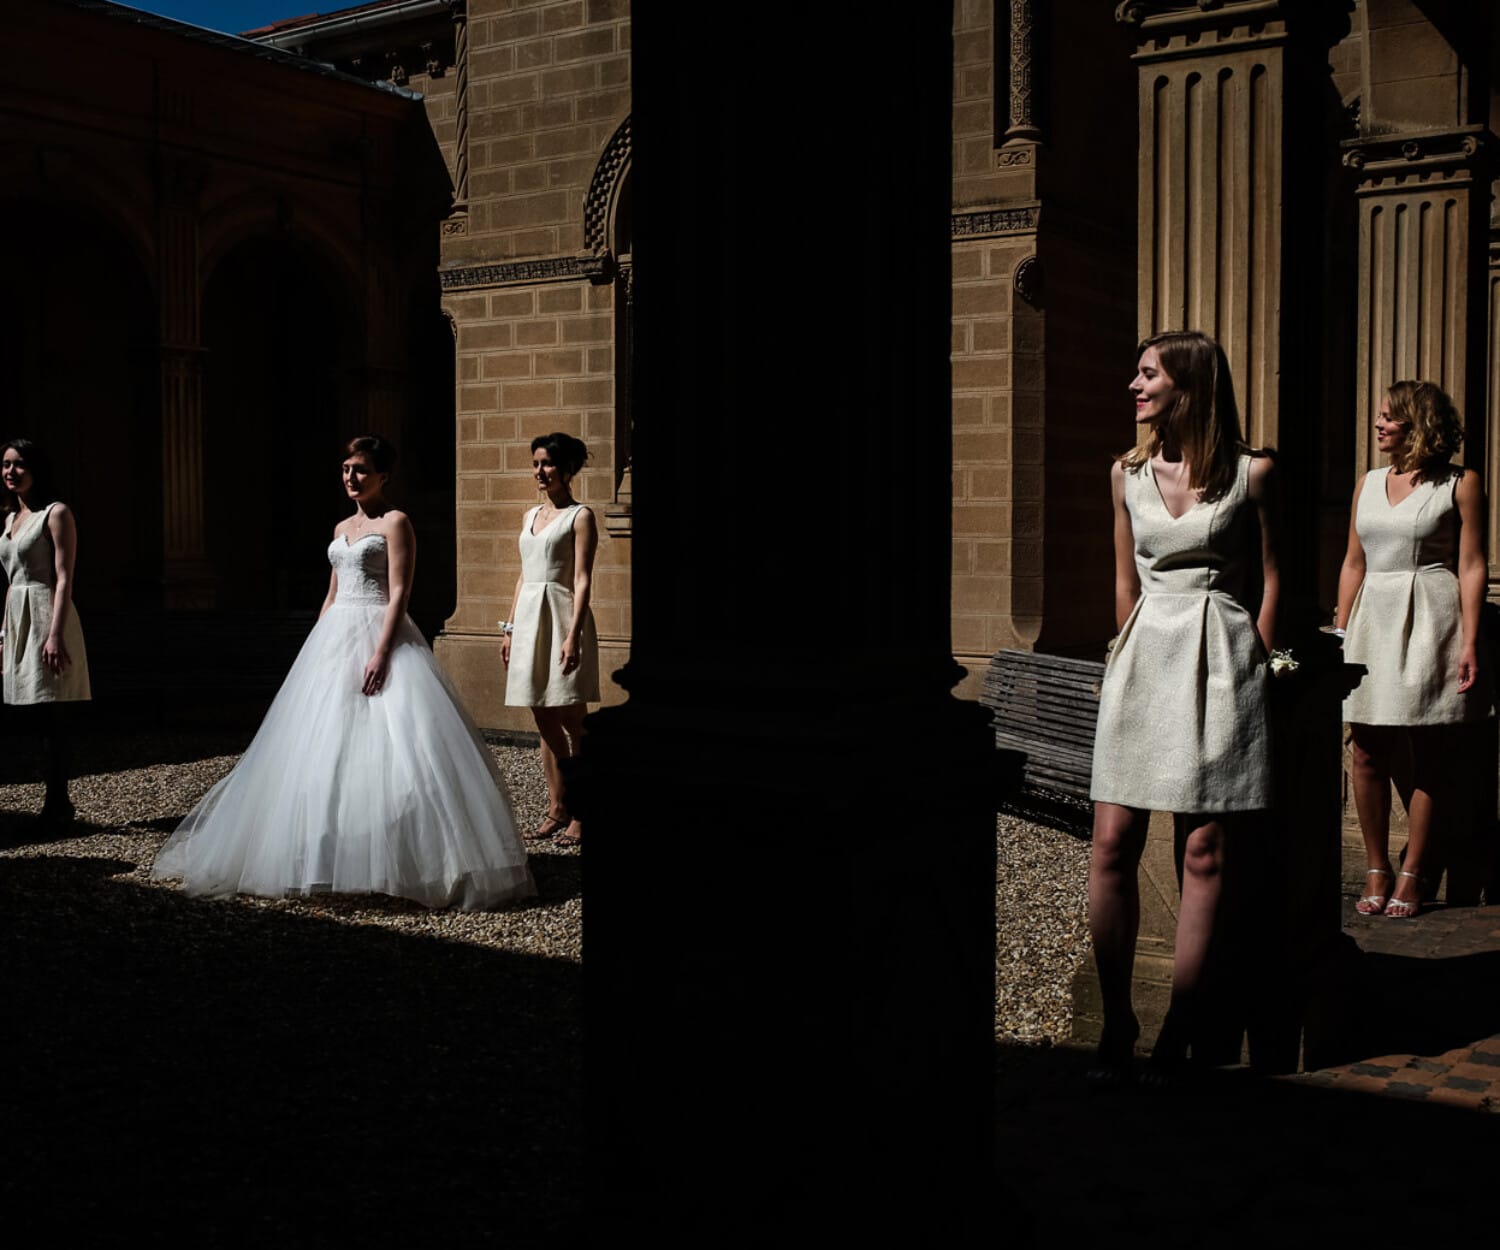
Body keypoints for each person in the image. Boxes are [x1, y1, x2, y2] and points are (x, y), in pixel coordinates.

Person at [153, 435, 535, 909]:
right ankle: (324, 853)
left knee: (396, 748)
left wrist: (381, 652)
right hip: (336, 635)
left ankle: (407, 857)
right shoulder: (341, 526)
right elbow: (332, 593)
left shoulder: (396, 522)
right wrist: (317, 646)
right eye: (346, 469)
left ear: (383, 476)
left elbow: (400, 593)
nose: (351, 477)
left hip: (379, 630)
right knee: (320, 749)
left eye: (361, 470)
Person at [1087, 330, 1279, 1081]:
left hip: (1220, 658)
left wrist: (1258, 662)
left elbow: (1272, 577)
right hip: (1142, 657)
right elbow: (1124, 581)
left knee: (1204, 849)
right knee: (1111, 842)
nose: (1134, 387)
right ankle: (1116, 1021)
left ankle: (1181, 1024)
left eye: (1148, 375)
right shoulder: (1125, 474)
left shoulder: (1252, 472)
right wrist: (1122, 658)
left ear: (1188, 386)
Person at [1336, 381, 1488, 919]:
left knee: (1430, 751)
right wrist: (1340, 632)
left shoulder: (1461, 483)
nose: (1378, 425)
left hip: (1432, 617)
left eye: (1389, 417)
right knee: (1366, 748)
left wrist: (1470, 640)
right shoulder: (1368, 482)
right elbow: (1353, 561)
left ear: (1418, 424)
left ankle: (1415, 869)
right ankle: (1377, 866)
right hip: (1372, 618)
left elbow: (1472, 564)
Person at [501, 432, 599, 848]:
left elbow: (582, 578)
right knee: (541, 712)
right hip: (529, 619)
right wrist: (509, 629)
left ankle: (582, 809)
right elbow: (524, 574)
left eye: (548, 463)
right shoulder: (529, 515)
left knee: (573, 719)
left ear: (567, 468)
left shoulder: (580, 516)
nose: (540, 471)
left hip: (561, 617)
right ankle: (558, 805)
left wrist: (573, 635)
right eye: (536, 464)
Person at [0, 438, 91, 828]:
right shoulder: (10, 519)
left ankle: (58, 804)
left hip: (46, 613)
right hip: (17, 617)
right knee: (32, 713)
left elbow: (64, 577)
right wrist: (2, 635)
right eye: (6, 464)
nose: (11, 471)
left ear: (36, 468)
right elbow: (11, 581)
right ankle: (53, 802)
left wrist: (54, 634)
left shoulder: (56, 513)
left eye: (19, 463)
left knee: (53, 712)